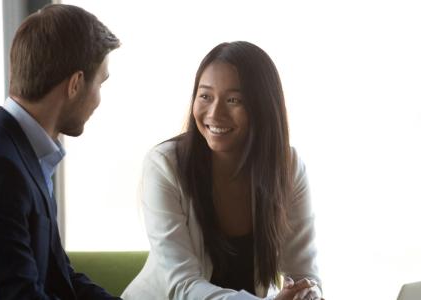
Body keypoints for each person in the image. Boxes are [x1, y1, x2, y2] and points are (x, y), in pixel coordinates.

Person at [0, 4, 120, 299]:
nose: (99, 100)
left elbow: (59, 275)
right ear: (76, 84)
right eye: (101, 83)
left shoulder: (17, 154)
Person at [122, 41, 322, 300]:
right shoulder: (164, 165)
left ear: (262, 106)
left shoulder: (288, 166)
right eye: (205, 96)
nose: (215, 113)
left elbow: (304, 272)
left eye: (233, 100)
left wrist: (306, 293)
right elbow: (182, 285)